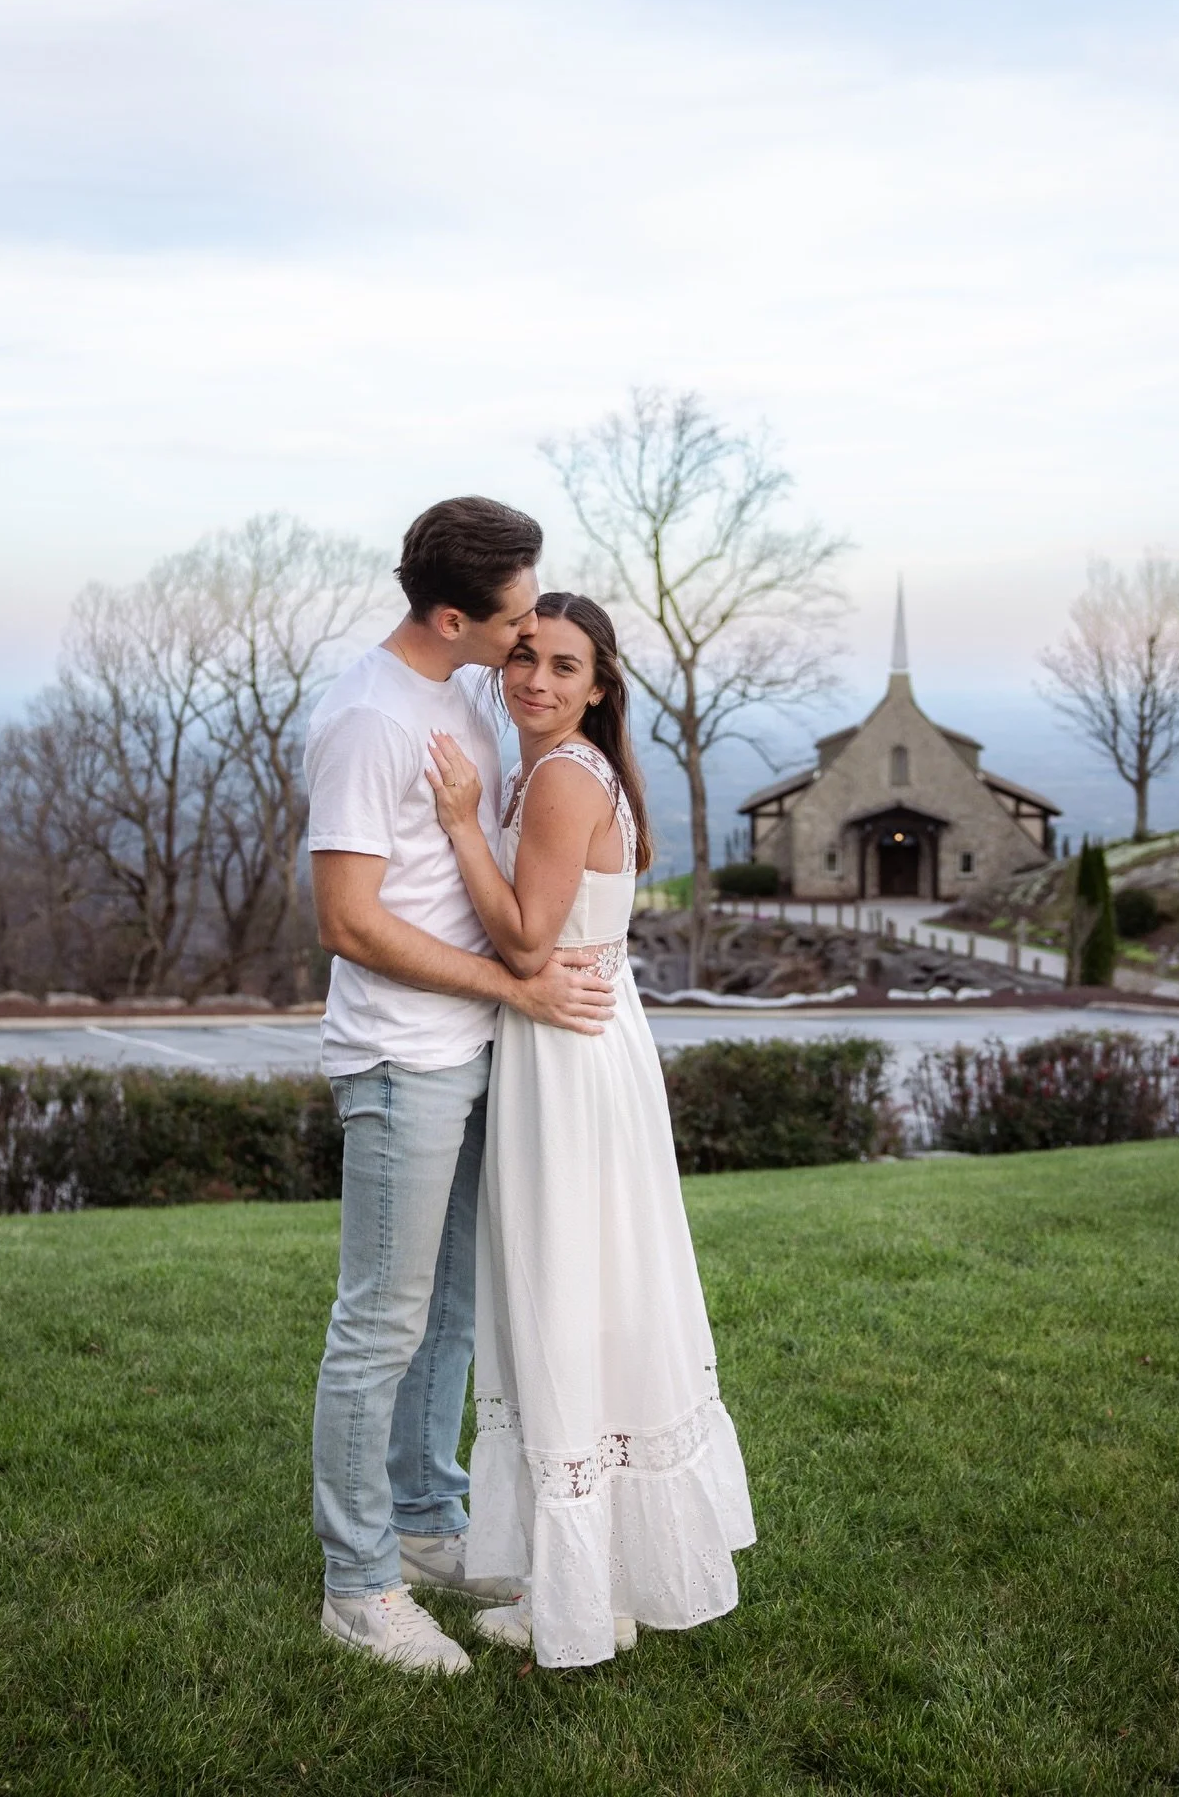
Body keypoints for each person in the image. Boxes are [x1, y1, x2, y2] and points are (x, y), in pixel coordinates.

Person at [306, 500, 618, 1676]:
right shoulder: (369, 721)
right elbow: (346, 919)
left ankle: (430, 1525)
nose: (531, 625)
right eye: (516, 614)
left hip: (477, 1043)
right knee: (378, 1323)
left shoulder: (464, 694)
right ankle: (359, 1585)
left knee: (451, 1312)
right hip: (403, 1056)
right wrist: (515, 983)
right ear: (452, 618)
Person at [425, 591, 756, 1669]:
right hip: (574, 1048)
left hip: (566, 1059)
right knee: (578, 1294)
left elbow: (526, 942)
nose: (536, 680)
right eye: (523, 658)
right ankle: (587, 1580)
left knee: (564, 1293)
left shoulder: (562, 778)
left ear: (599, 686)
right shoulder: (561, 766)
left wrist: (462, 824)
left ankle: (584, 1597)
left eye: (565, 667)